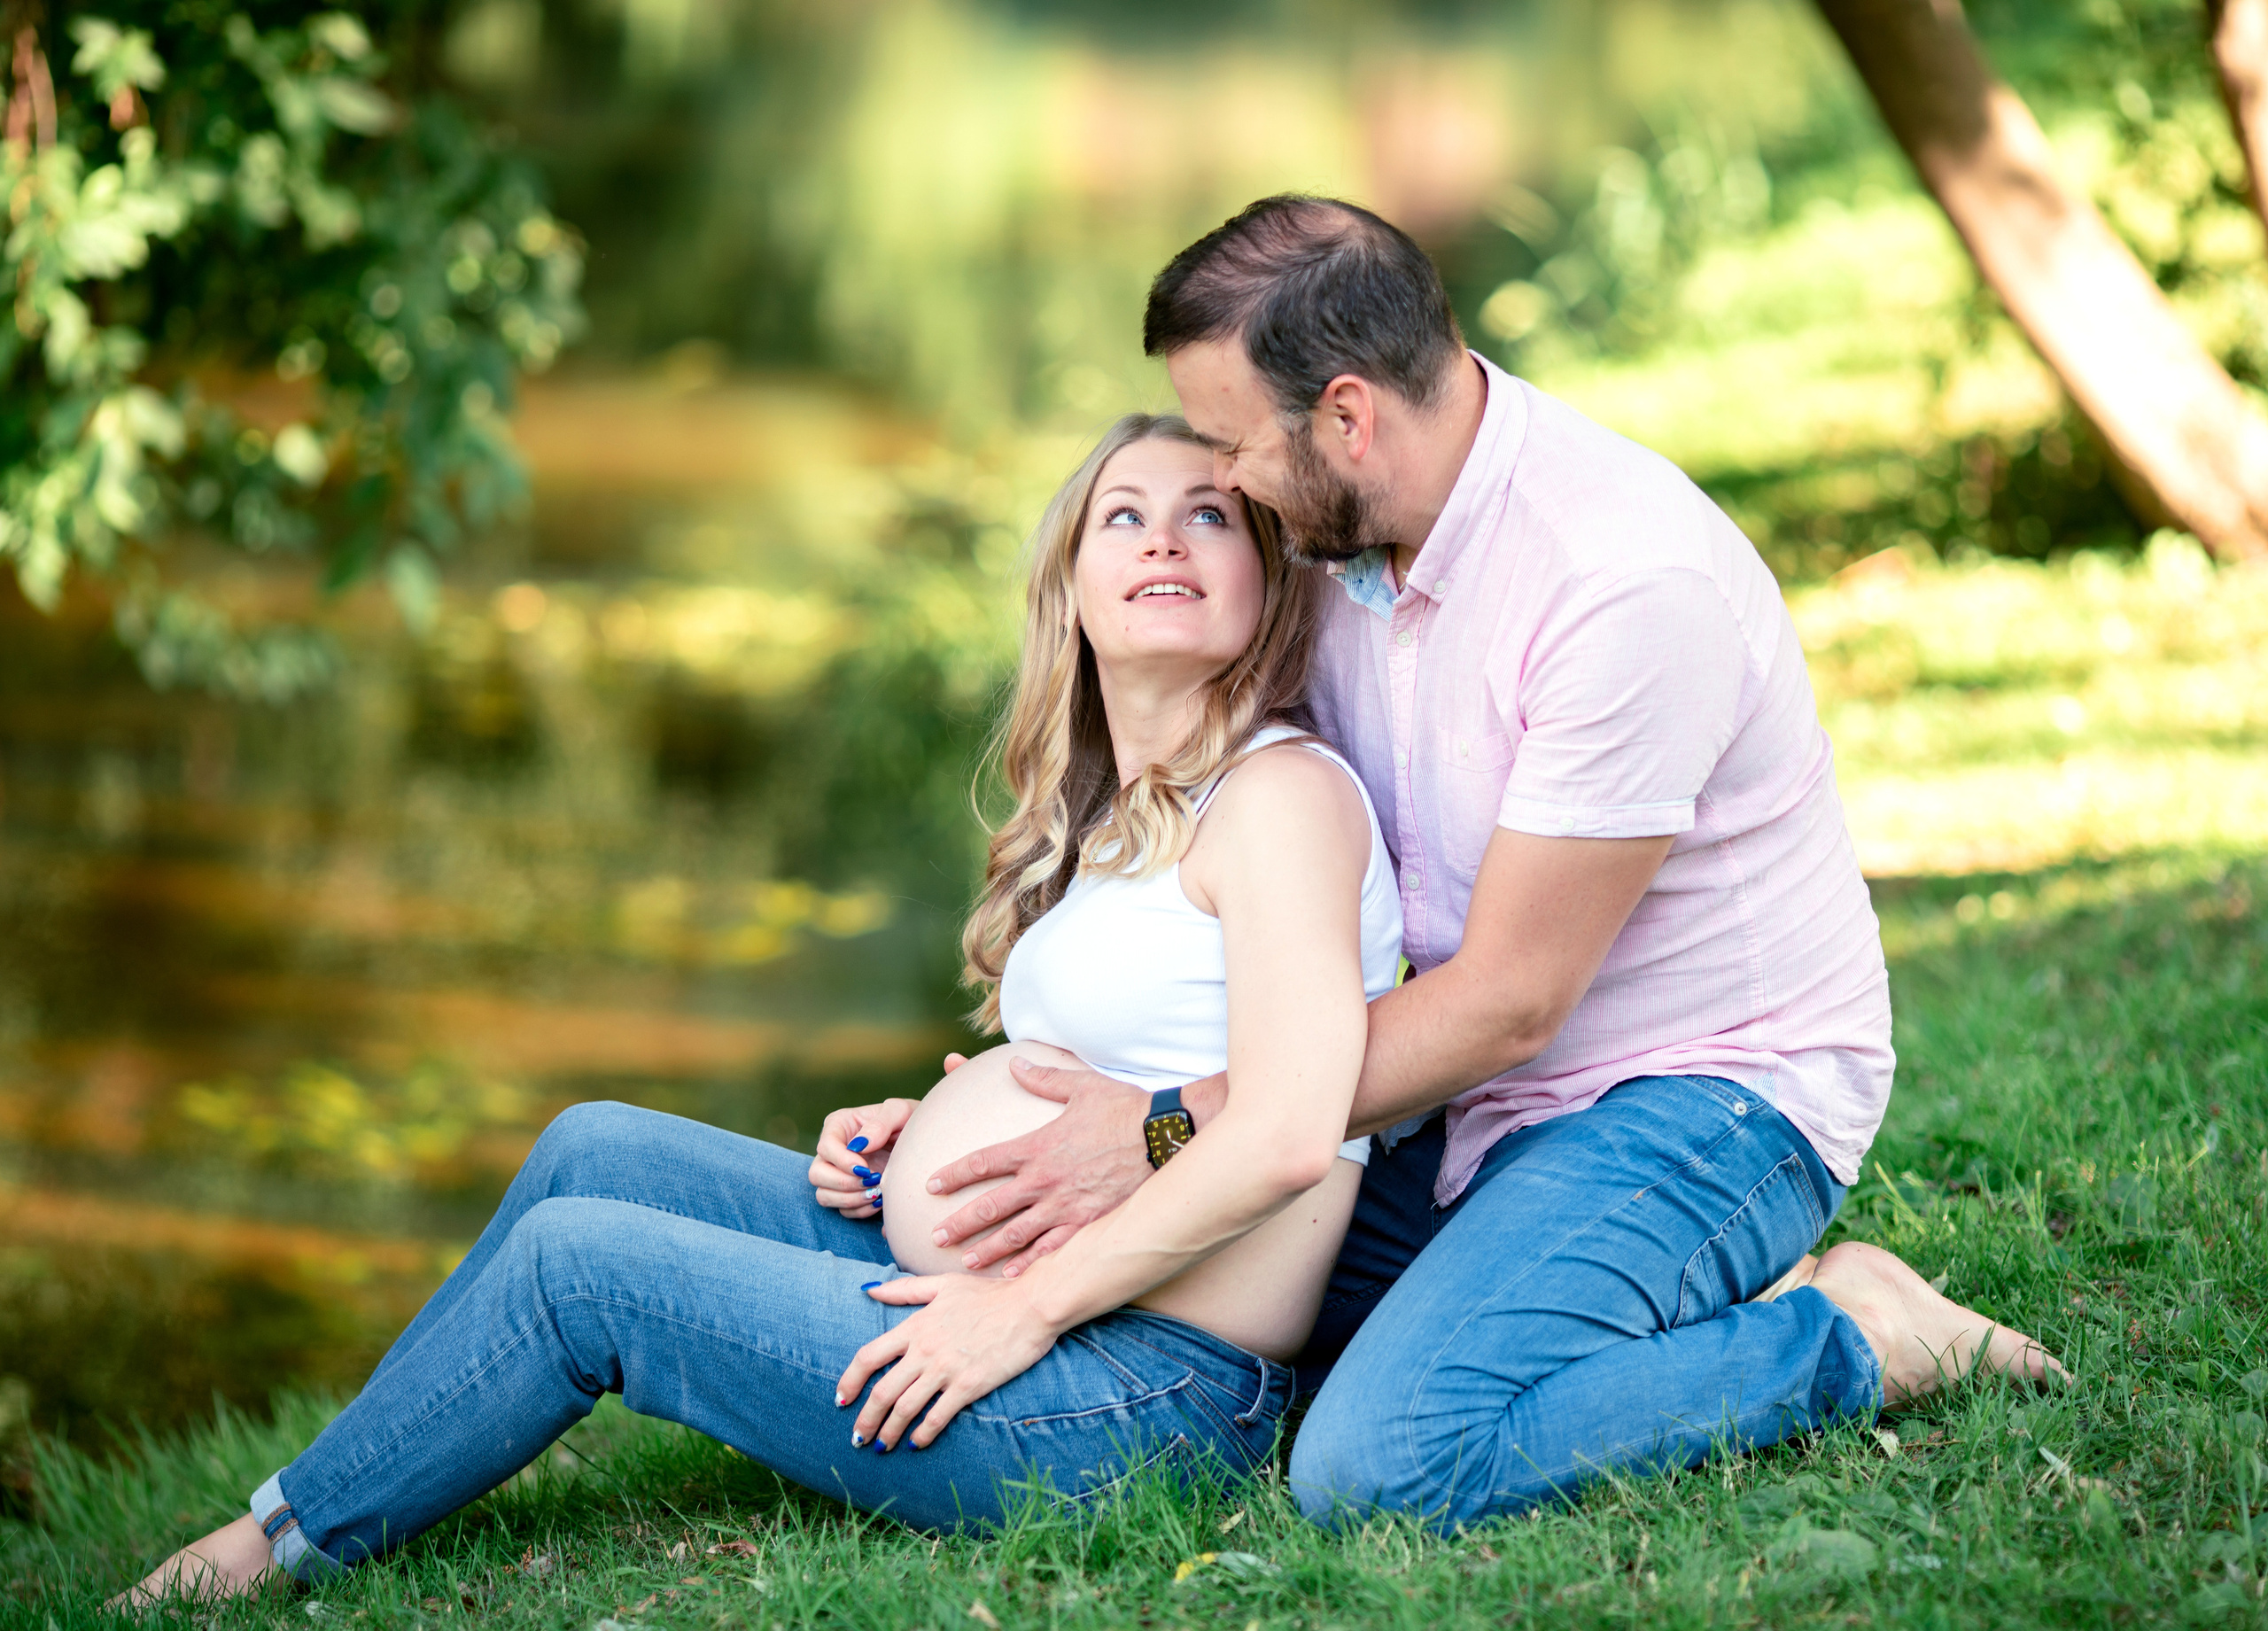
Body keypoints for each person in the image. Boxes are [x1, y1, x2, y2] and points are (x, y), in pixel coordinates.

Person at [907, 195, 2066, 1530]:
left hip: (1699, 1097)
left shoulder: (1620, 582)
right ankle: (1610, 1291)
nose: (1228, 486)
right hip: (1460, 1104)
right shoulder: (1346, 544)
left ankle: (1849, 1330)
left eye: (1234, 448)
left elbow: (1514, 997)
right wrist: (998, 1108)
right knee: (1228, 1328)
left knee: (1380, 1459)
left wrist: (1173, 1119)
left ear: (1347, 419)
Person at [119, 415, 1405, 1604]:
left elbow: (1289, 1131)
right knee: (592, 1142)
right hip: (1024, 1300)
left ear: (1269, 579)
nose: (1165, 536)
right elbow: (1113, 1077)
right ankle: (371, 1459)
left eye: (1209, 514)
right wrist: (939, 1123)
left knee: (585, 1271)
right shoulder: (1120, 818)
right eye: (1121, 515)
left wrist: (1023, 1303)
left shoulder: (1281, 799)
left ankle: (261, 1547)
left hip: (1135, 1394)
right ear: (1070, 583)